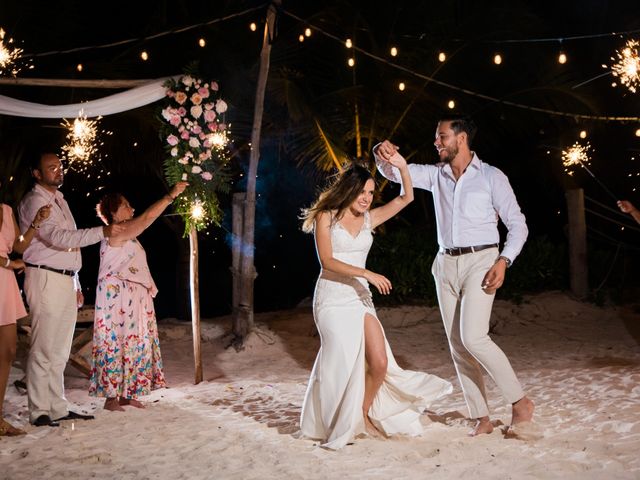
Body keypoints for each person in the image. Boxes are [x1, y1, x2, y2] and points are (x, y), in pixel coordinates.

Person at [374, 114, 535, 437]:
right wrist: (383, 151)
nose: (436, 142)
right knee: (457, 344)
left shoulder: (492, 177)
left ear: (461, 139)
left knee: (474, 337)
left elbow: (518, 225)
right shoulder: (436, 175)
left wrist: (504, 260)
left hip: (483, 260)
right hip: (445, 263)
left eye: (442, 136)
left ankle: (520, 403)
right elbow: (396, 173)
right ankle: (482, 417)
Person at [299, 162, 452, 450]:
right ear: (348, 190)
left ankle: (362, 411)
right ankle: (334, 421)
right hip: (332, 298)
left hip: (359, 298)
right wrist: (367, 273)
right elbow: (327, 262)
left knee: (380, 362)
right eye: (362, 191)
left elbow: (407, 197)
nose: (367, 198)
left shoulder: (369, 219)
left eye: (371, 192)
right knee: (341, 362)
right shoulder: (326, 217)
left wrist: (402, 167)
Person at [18, 152, 125, 427]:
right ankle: (39, 410)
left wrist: (75, 280)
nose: (58, 171)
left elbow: (69, 248)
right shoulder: (34, 201)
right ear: (37, 174)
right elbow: (57, 238)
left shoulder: (59, 200)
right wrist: (102, 232)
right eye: (51, 168)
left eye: (60, 166)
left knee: (61, 349)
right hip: (44, 278)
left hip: (64, 279)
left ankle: (57, 406)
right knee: (44, 346)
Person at [90, 181, 187, 411]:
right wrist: (169, 196)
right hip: (117, 300)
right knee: (116, 343)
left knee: (134, 343)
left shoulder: (130, 238)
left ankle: (128, 393)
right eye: (126, 206)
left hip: (133, 300)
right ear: (112, 213)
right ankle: (111, 398)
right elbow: (145, 220)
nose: (132, 209)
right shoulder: (116, 233)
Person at [0, 193, 50, 436]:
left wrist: (35, 223)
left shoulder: (7, 210)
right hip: (4, 271)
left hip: (4, 283)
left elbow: (18, 244)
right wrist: (9, 264)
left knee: (8, 351)